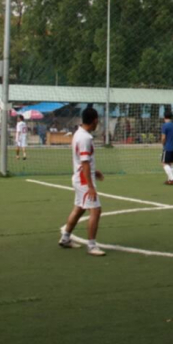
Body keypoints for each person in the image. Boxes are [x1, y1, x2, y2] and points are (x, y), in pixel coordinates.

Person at [58, 107, 106, 256]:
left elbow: (84, 161)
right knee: (96, 210)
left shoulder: (79, 134)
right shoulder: (85, 138)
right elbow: (84, 162)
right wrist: (90, 186)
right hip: (84, 180)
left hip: (80, 177)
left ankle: (65, 238)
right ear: (95, 120)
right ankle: (92, 246)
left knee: (79, 208)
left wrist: (94, 170)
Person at [160, 110, 173, 185]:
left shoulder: (165, 125)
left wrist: (163, 143)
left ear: (164, 117)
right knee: (170, 164)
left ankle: (172, 178)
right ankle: (169, 180)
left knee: (164, 163)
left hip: (168, 147)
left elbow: (163, 137)